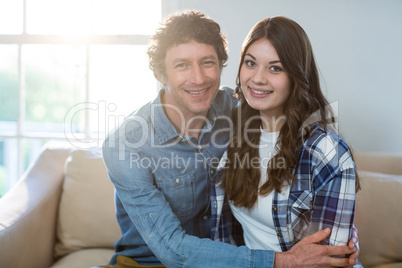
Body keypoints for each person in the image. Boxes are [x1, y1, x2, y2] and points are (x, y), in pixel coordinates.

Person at [101, 10, 359, 268]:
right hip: (149, 262)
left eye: (207, 62)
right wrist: (284, 261)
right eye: (182, 65)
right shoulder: (125, 146)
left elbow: (310, 151)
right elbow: (172, 249)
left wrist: (341, 234)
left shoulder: (240, 109)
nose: (198, 79)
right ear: (160, 73)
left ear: (222, 65)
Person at [212, 15, 362, 266]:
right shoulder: (234, 132)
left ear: (296, 75)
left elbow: (328, 261)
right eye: (250, 63)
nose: (258, 78)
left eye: (275, 68)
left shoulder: (325, 151)